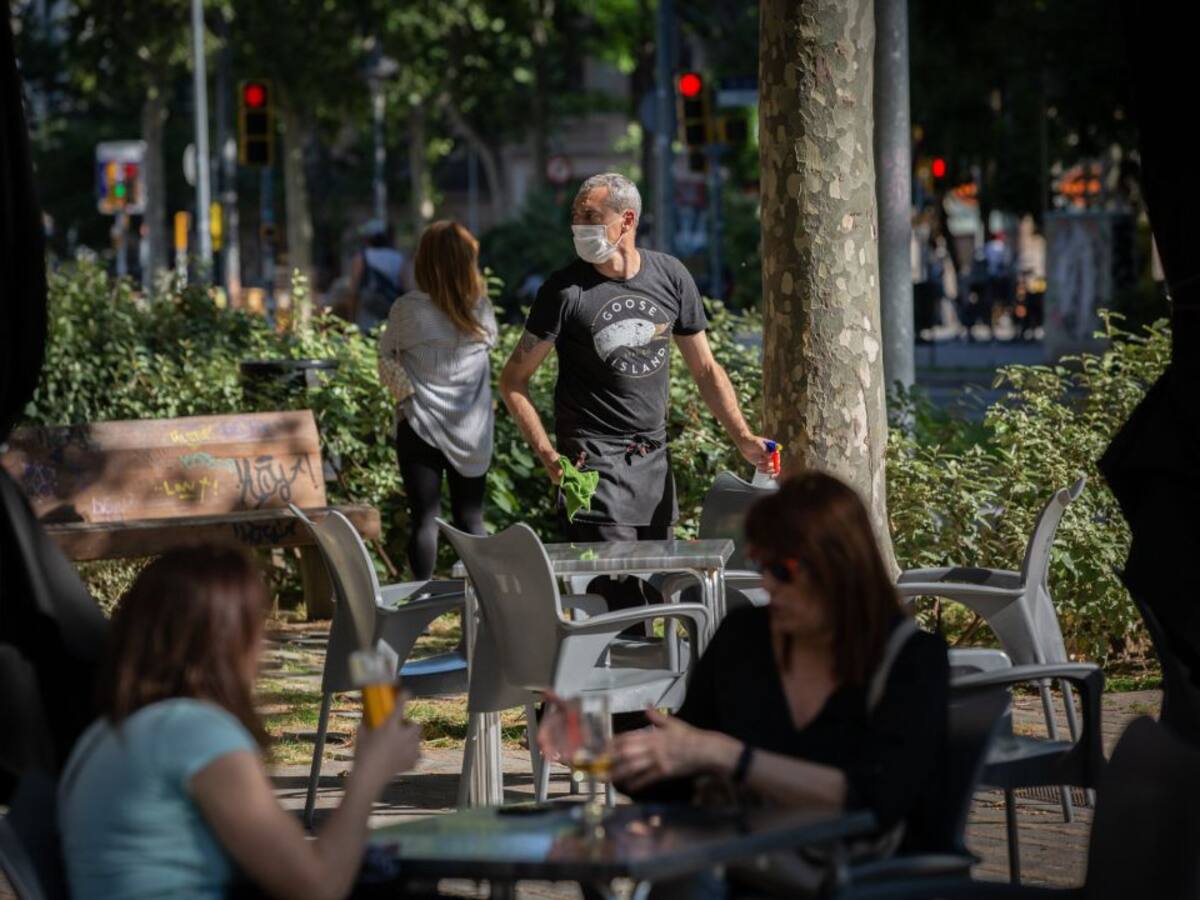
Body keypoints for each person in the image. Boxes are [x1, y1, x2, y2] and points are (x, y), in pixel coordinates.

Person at [607, 472, 950, 895]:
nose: (766, 583)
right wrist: (614, 755)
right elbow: (686, 778)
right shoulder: (745, 637)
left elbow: (879, 799)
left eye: (782, 570)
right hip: (748, 870)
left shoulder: (911, 660)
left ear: (838, 567)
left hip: (862, 880)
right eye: (759, 566)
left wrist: (731, 757)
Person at [57, 545, 422, 900]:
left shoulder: (110, 732)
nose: (263, 648)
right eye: (256, 629)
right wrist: (369, 774)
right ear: (228, 640)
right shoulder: (192, 731)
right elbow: (318, 886)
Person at [498, 172, 770, 617]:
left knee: (655, 599)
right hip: (593, 464)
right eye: (575, 216)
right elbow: (513, 380)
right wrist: (548, 454)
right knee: (620, 603)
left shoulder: (671, 276)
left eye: (590, 216)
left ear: (626, 220)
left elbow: (705, 369)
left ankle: (645, 681)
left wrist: (743, 437)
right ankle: (619, 680)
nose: (578, 226)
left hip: (652, 464)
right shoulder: (563, 291)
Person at [378, 220, 497, 580]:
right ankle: (486, 604)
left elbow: (385, 355)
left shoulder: (407, 309)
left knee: (424, 520)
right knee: (471, 518)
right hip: (472, 430)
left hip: (419, 425)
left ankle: (422, 604)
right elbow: (489, 350)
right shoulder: (481, 309)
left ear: (424, 262)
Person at [347, 219, 409, 332]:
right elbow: (405, 290)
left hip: (367, 317)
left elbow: (353, 291)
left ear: (367, 239)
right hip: (392, 316)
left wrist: (351, 319)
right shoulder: (398, 258)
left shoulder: (362, 257)